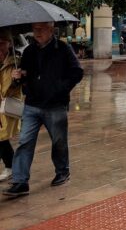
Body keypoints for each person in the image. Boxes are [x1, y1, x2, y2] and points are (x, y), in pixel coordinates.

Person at [3, 22, 84, 197]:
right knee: (24, 142)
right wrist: (18, 77)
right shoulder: (29, 51)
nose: (36, 33)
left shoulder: (62, 48)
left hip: (55, 105)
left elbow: (77, 72)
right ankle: (20, 181)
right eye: (34, 29)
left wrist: (61, 88)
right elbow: (24, 76)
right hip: (32, 104)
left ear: (51, 29)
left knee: (58, 141)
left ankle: (62, 171)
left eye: (40, 29)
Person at [0, 31, 23, 182]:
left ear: (9, 43)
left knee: (1, 138)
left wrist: (17, 80)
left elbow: (17, 86)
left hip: (7, 105)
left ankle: (11, 167)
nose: (0, 46)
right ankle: (11, 166)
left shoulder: (16, 62)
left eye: (2, 42)